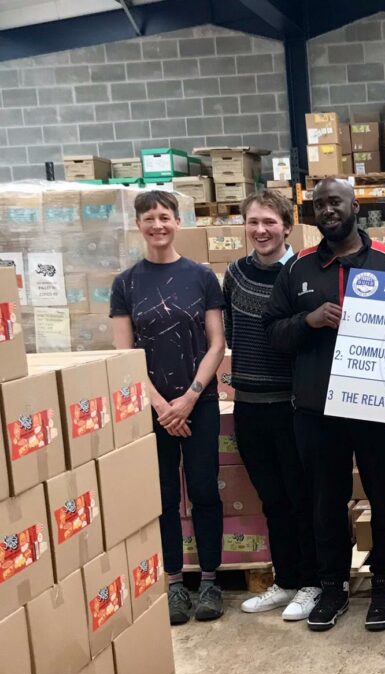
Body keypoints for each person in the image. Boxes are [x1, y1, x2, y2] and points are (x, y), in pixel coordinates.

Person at [262, 178, 385, 633]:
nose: (327, 210)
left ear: (355, 206)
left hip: (378, 408)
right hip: (316, 411)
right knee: (325, 503)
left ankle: (384, 585)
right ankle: (332, 586)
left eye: (335, 202)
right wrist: (307, 321)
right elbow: (273, 333)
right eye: (319, 204)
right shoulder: (298, 268)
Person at [110, 190, 226, 625]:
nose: (157, 225)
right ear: (138, 225)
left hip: (200, 403)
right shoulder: (126, 284)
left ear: (178, 222)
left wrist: (190, 398)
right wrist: (161, 406)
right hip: (152, 410)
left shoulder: (201, 277)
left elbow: (216, 343)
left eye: (164, 217)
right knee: (163, 496)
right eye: (149, 218)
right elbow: (124, 354)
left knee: (203, 490)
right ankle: (174, 583)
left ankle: (210, 581)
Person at [223, 190, 320, 621]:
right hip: (248, 405)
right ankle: (286, 580)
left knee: (302, 498)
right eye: (253, 222)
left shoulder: (301, 273)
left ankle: (313, 583)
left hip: (291, 404)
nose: (260, 230)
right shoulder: (234, 274)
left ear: (287, 227)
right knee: (272, 500)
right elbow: (232, 333)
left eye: (269, 222)